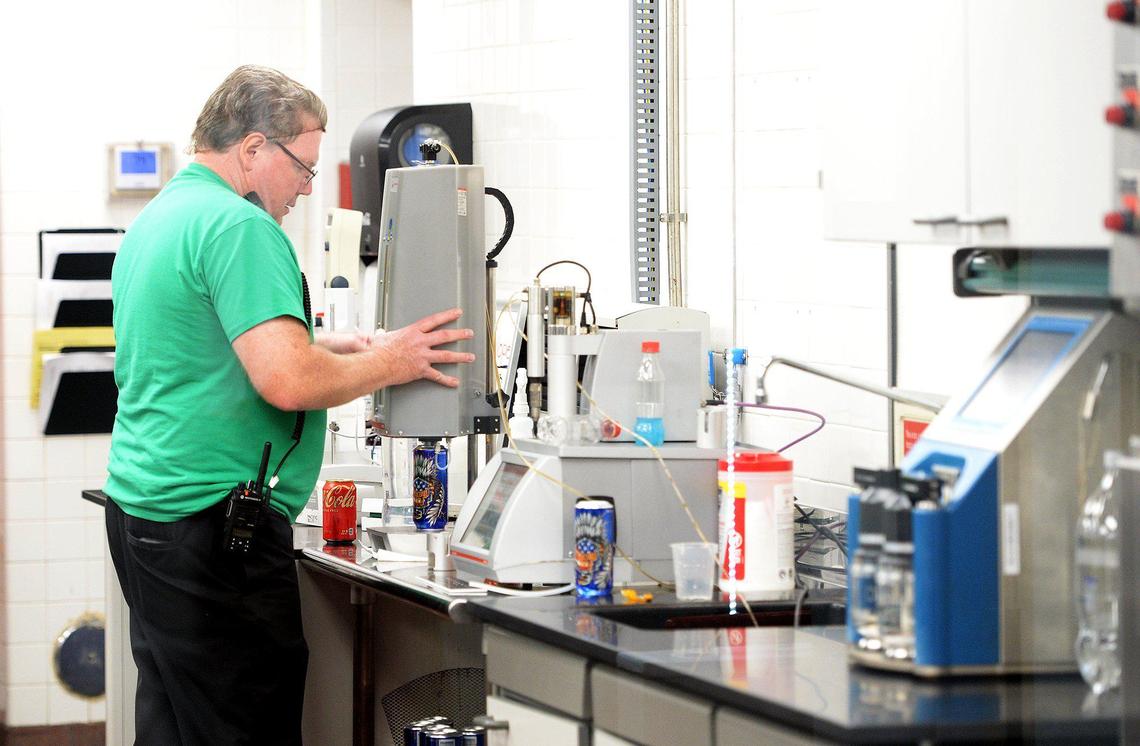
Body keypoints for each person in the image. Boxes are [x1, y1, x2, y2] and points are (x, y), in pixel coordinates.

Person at [103, 65, 472, 745]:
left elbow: (207, 340)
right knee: (246, 727)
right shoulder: (240, 229)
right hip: (213, 527)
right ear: (252, 149)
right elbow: (288, 382)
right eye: (301, 167)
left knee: (176, 724)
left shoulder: (163, 218)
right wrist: (395, 361)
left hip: (145, 515)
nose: (306, 187)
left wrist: (342, 341)